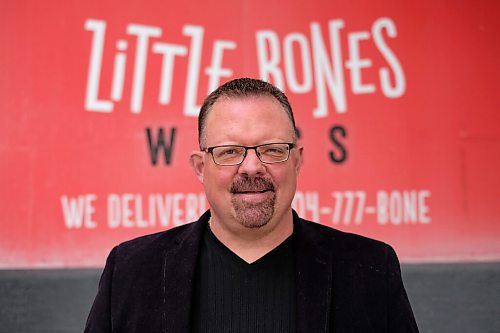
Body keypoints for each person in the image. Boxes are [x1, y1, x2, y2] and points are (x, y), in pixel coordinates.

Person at [84, 78, 419, 332]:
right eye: (229, 151)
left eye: (272, 149)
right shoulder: (132, 271)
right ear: (200, 167)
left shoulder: (369, 269)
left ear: (297, 161)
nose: (251, 167)